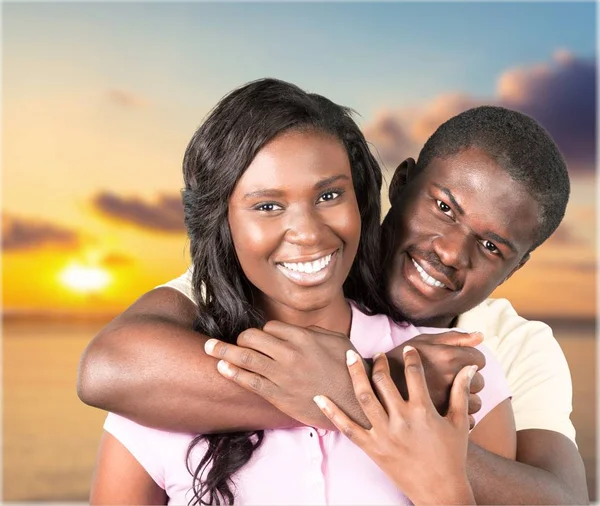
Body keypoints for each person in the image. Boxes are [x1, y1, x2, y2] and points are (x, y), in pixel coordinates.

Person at [78, 99, 589, 503]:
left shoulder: (493, 356)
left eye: (492, 245)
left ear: (516, 267)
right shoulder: (266, 274)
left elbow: (560, 499)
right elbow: (107, 367)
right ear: (402, 183)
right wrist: (371, 386)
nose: (451, 253)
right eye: (443, 207)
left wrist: (420, 450)